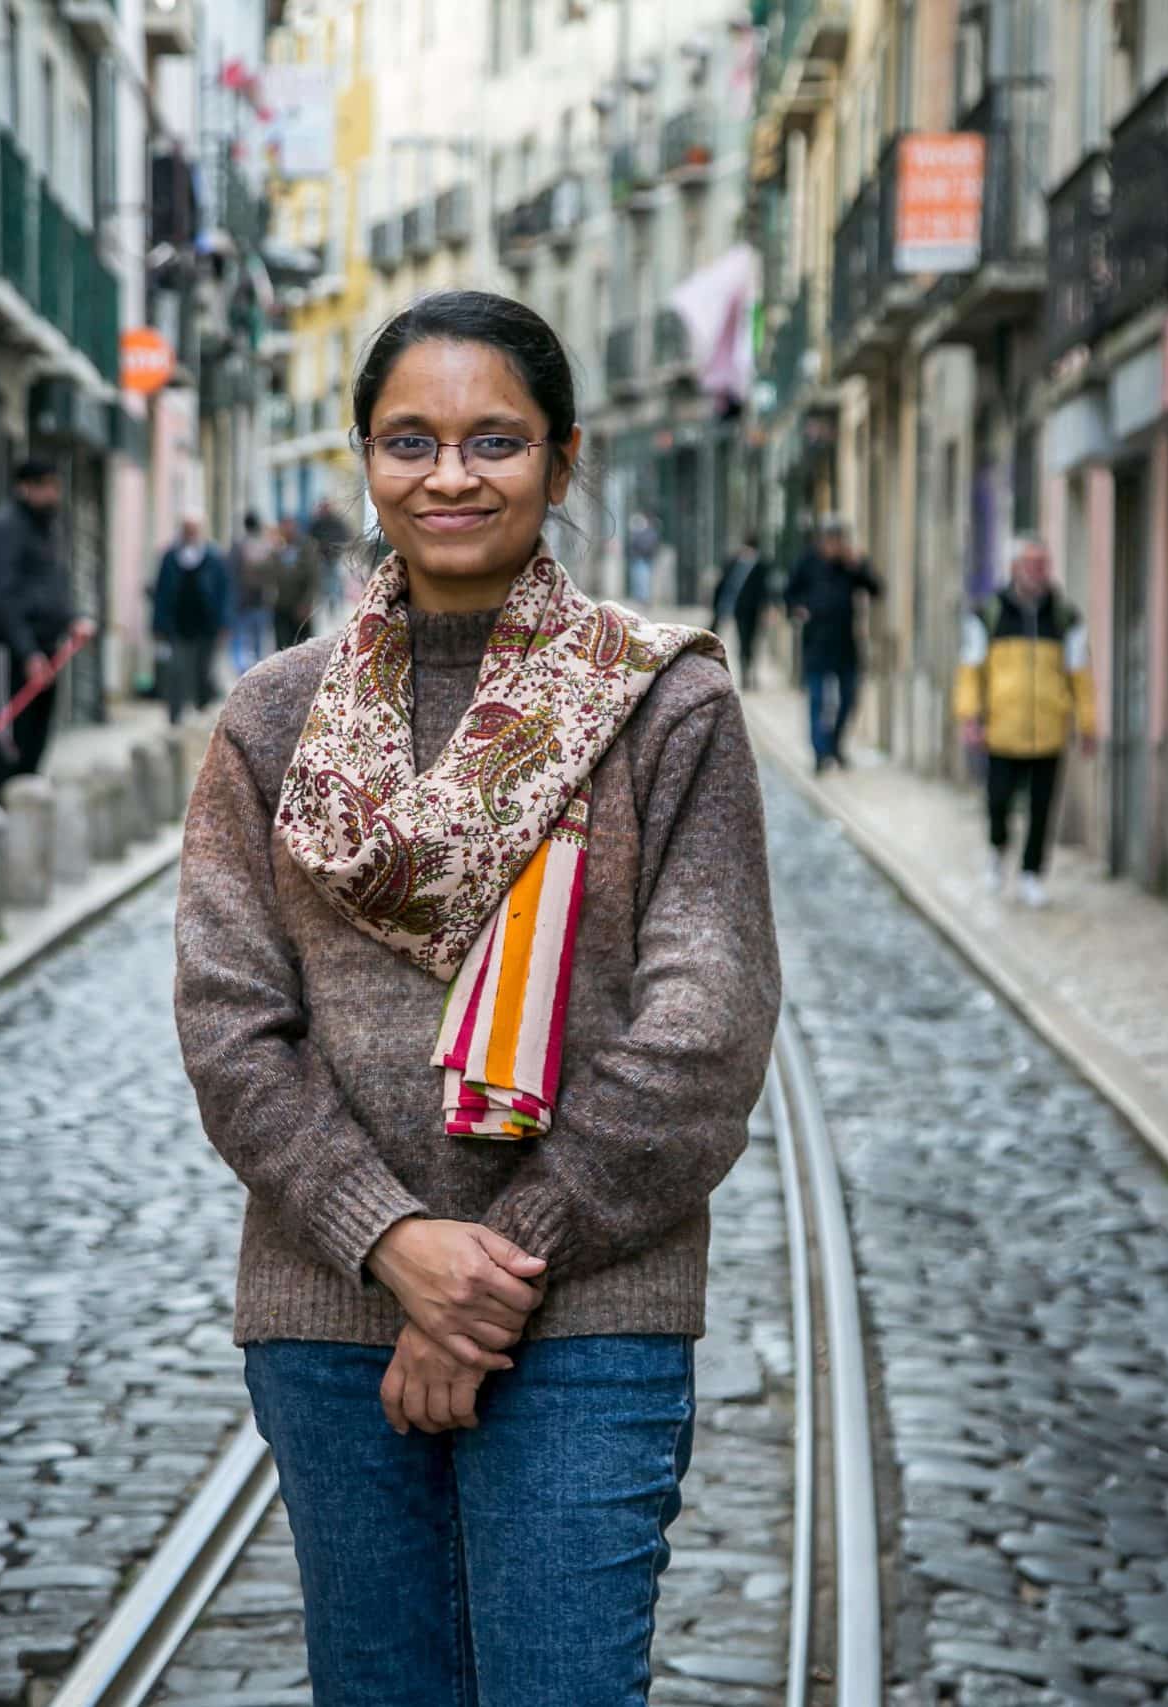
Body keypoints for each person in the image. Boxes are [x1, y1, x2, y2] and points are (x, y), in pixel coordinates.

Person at [174, 289, 780, 1705]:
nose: (450, 474)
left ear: (565, 460)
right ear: (365, 460)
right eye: (411, 440)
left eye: (494, 439)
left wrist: (492, 1272)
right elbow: (229, 1020)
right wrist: (391, 1246)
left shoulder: (663, 707)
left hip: (586, 1316)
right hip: (330, 1312)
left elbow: (706, 1023)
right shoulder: (272, 718)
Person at [955, 536, 1097, 909]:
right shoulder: (988, 614)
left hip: (1049, 731)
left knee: (1041, 807)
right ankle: (997, 851)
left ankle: (1032, 874)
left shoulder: (1065, 617)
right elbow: (970, 670)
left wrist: (1087, 724)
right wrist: (969, 715)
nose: (1038, 571)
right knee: (998, 801)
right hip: (1002, 730)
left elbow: (1080, 675)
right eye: (1031, 563)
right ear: (1015, 567)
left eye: (1043, 564)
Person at [0, 458, 94, 803]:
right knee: (12, 742)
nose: (53, 494)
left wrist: (72, 619)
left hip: (49, 649)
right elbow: (4, 597)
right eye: (46, 486)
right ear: (25, 487)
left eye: (55, 487)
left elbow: (51, 588)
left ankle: (27, 823)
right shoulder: (4, 529)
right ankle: (0, 817)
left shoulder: (47, 529)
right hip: (13, 651)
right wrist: (27, 652)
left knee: (37, 741)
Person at [786, 515, 883, 772]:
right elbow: (789, 593)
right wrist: (798, 609)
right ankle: (820, 753)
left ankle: (834, 745)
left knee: (849, 698)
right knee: (818, 700)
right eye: (829, 540)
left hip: (845, 644)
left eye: (838, 540)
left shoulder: (849, 565)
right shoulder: (807, 562)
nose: (833, 546)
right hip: (816, 643)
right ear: (821, 541)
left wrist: (860, 565)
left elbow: (876, 589)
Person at [152, 515, 230, 724]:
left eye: (194, 529)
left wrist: (224, 623)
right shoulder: (170, 557)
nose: (190, 534)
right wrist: (158, 624)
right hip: (177, 625)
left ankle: (202, 711)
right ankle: (174, 716)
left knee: (203, 672)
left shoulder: (213, 557)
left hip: (206, 625)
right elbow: (161, 592)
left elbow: (224, 592)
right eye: (187, 529)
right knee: (176, 671)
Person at [712, 533, 771, 690]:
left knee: (751, 642)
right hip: (738, 609)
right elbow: (724, 585)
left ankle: (749, 672)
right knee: (742, 641)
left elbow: (764, 590)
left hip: (753, 610)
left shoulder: (760, 565)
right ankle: (745, 673)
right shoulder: (734, 562)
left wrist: (765, 609)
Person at [231, 510, 277, 676]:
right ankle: (256, 668)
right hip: (261, 599)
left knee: (242, 638)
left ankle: (243, 669)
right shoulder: (268, 547)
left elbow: (233, 572)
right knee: (258, 638)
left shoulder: (239, 546)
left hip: (244, 600)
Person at [266, 516, 322, 650]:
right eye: (284, 527)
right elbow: (269, 574)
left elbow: (314, 578)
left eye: (289, 526)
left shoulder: (307, 547)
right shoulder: (277, 549)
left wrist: (307, 603)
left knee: (302, 647)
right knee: (282, 646)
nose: (287, 530)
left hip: (301, 607)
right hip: (281, 606)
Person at [625, 510, 660, 604]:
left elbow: (647, 545)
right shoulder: (641, 532)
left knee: (643, 579)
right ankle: (641, 598)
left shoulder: (648, 532)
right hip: (640, 559)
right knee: (639, 579)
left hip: (643, 559)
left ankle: (643, 599)